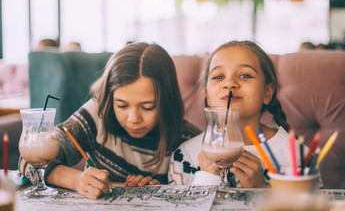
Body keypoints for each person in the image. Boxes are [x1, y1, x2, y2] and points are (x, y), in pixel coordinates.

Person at [20, 42, 201, 199]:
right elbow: (29, 160)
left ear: (167, 101)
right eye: (121, 105)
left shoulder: (189, 139)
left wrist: (159, 191)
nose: (133, 119)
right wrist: (76, 180)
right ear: (109, 97)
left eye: (147, 107)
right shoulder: (97, 114)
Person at [169, 40, 307, 188]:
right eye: (218, 77)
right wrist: (207, 179)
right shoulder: (184, 157)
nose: (229, 83)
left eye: (245, 75)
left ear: (267, 92)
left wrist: (260, 190)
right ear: (207, 95)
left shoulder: (298, 156)